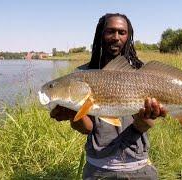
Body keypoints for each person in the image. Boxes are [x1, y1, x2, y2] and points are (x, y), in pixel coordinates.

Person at [50, 13, 166, 180]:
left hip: (138, 167)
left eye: (122, 32)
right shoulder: (81, 76)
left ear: (128, 36)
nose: (116, 37)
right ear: (100, 34)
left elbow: (143, 126)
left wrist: (147, 116)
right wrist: (73, 114)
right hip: (98, 169)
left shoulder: (142, 74)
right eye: (110, 31)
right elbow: (87, 129)